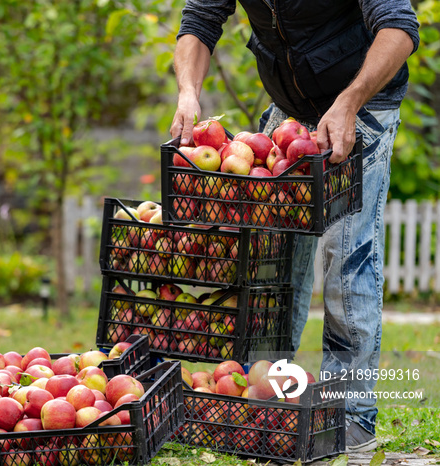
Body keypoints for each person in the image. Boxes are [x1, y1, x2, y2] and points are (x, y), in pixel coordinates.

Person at [169, 0, 420, 453]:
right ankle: (269, 406)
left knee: (347, 257)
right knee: (273, 269)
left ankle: (350, 419)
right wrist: (188, 91)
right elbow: (200, 20)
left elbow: (400, 27)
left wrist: (349, 99)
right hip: (290, 116)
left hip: (360, 105)